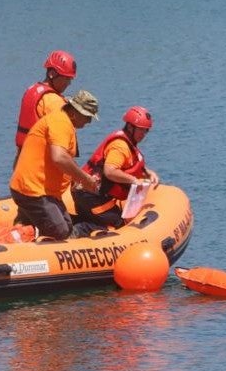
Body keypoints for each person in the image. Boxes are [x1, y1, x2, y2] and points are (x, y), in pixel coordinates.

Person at [10, 89, 100, 240]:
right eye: (87, 117)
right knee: (61, 232)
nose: (89, 122)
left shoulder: (62, 122)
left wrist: (76, 180)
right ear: (74, 112)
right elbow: (59, 157)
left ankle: (26, 230)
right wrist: (84, 179)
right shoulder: (61, 122)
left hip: (40, 190)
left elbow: (63, 160)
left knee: (66, 224)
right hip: (34, 191)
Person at [73, 105, 161, 231]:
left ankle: (76, 226)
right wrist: (134, 180)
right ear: (130, 127)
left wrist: (147, 173)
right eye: (141, 130)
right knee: (118, 225)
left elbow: (130, 165)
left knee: (101, 217)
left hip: (89, 192)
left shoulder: (127, 144)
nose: (144, 134)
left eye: (146, 130)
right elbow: (110, 171)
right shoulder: (120, 146)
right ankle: (80, 230)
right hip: (90, 194)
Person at [13, 50, 78, 167]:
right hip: (41, 169)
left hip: (21, 163)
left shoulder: (31, 90)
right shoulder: (54, 101)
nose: (69, 83)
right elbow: (61, 146)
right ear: (52, 73)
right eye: (67, 78)